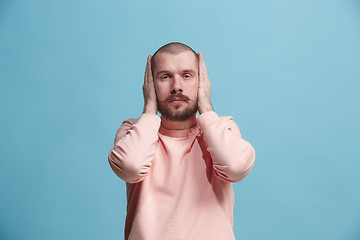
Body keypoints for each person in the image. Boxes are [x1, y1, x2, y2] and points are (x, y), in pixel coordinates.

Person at [108, 42, 255, 240]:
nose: (176, 86)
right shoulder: (133, 131)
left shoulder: (223, 128)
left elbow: (235, 167)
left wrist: (207, 109)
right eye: (165, 77)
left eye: (187, 76)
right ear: (150, 84)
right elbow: (131, 167)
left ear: (201, 82)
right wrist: (150, 109)